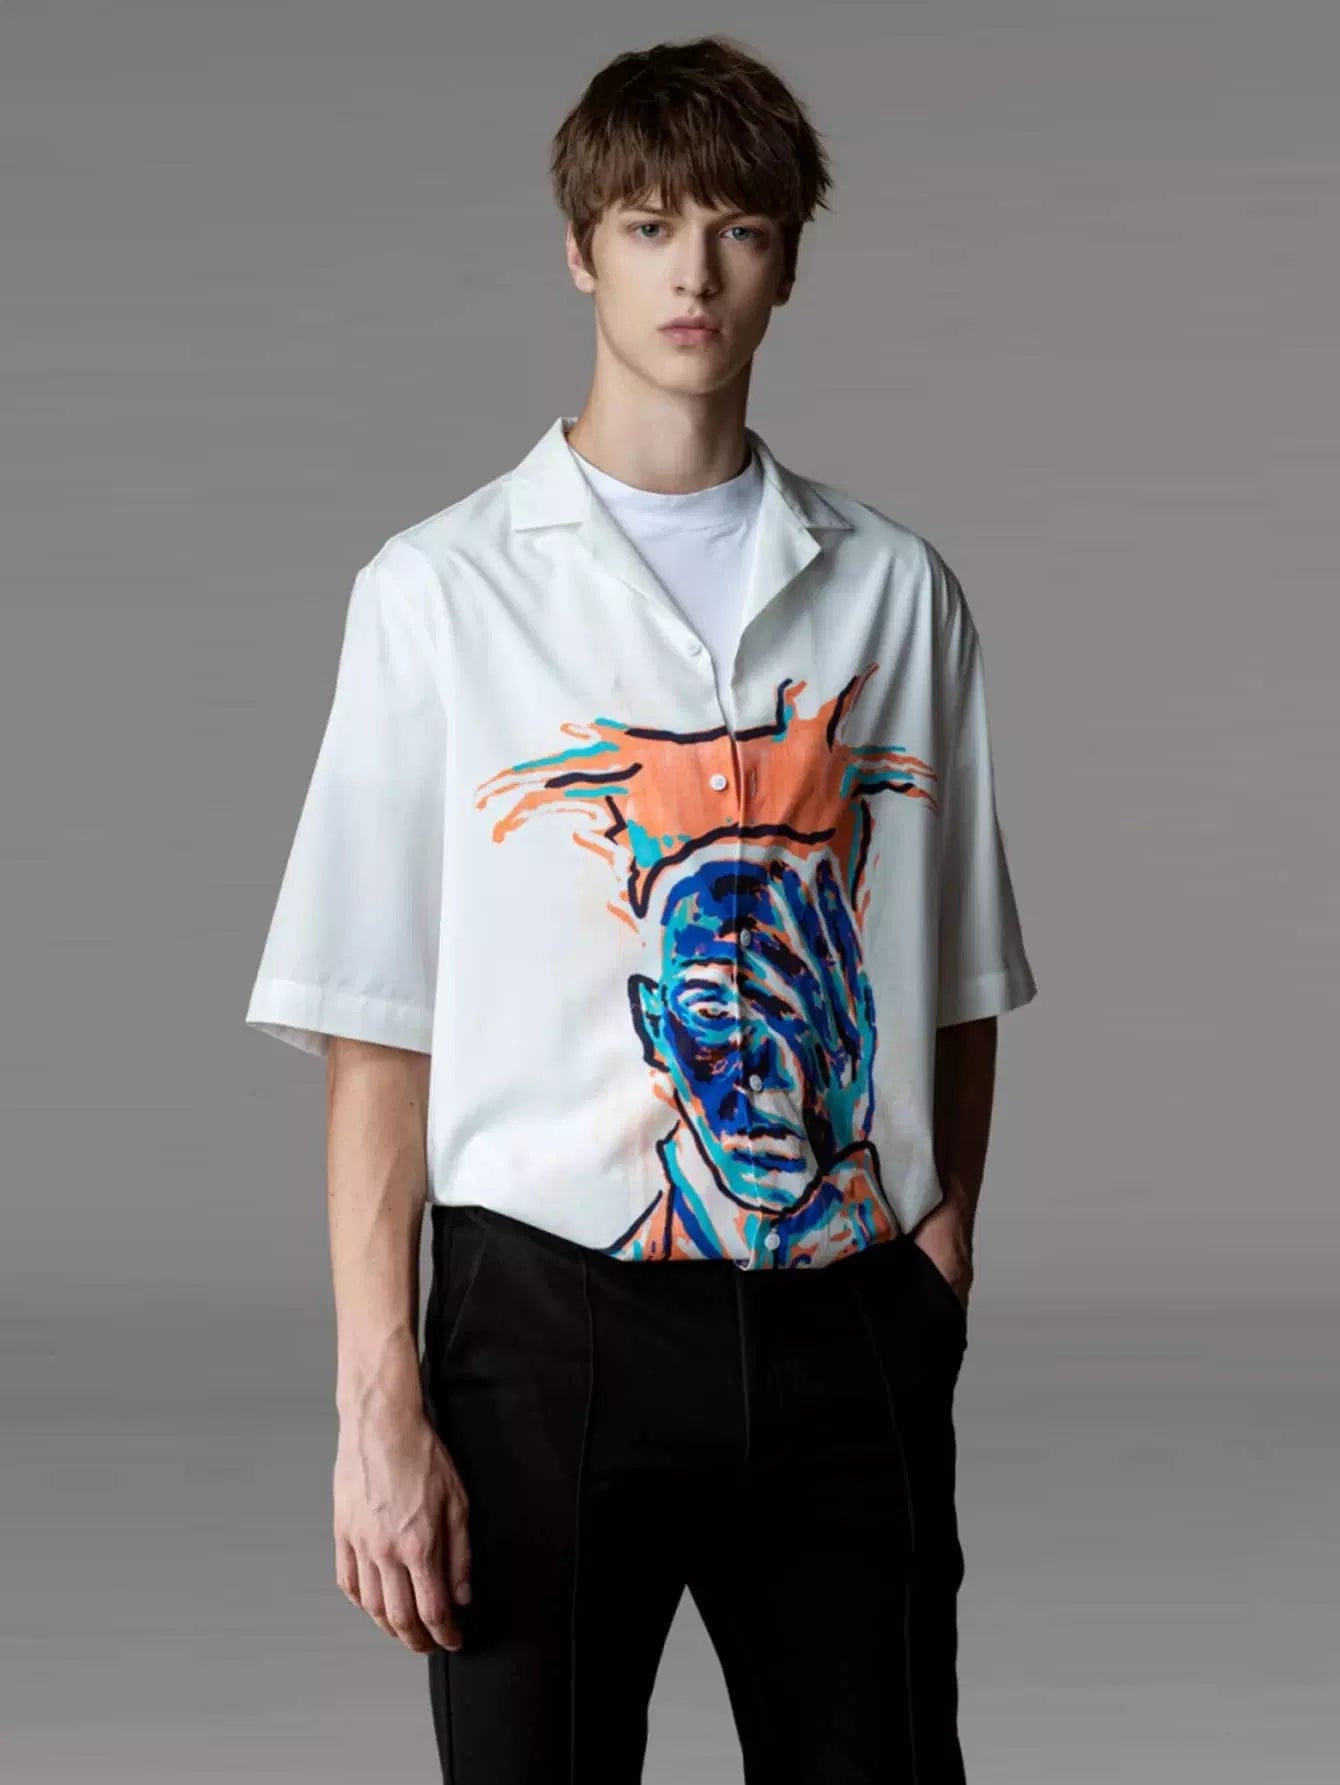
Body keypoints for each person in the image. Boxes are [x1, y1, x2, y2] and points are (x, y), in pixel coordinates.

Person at [245, 32, 1037, 1784]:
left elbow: (957, 971)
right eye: (652, 224)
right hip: (546, 1326)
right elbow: (375, 1026)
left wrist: (942, 1255)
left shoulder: (897, 593)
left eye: (739, 229)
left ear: (788, 263)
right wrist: (380, 1400)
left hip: (847, 1322)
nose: (695, 274)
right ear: (581, 249)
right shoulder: (439, 594)